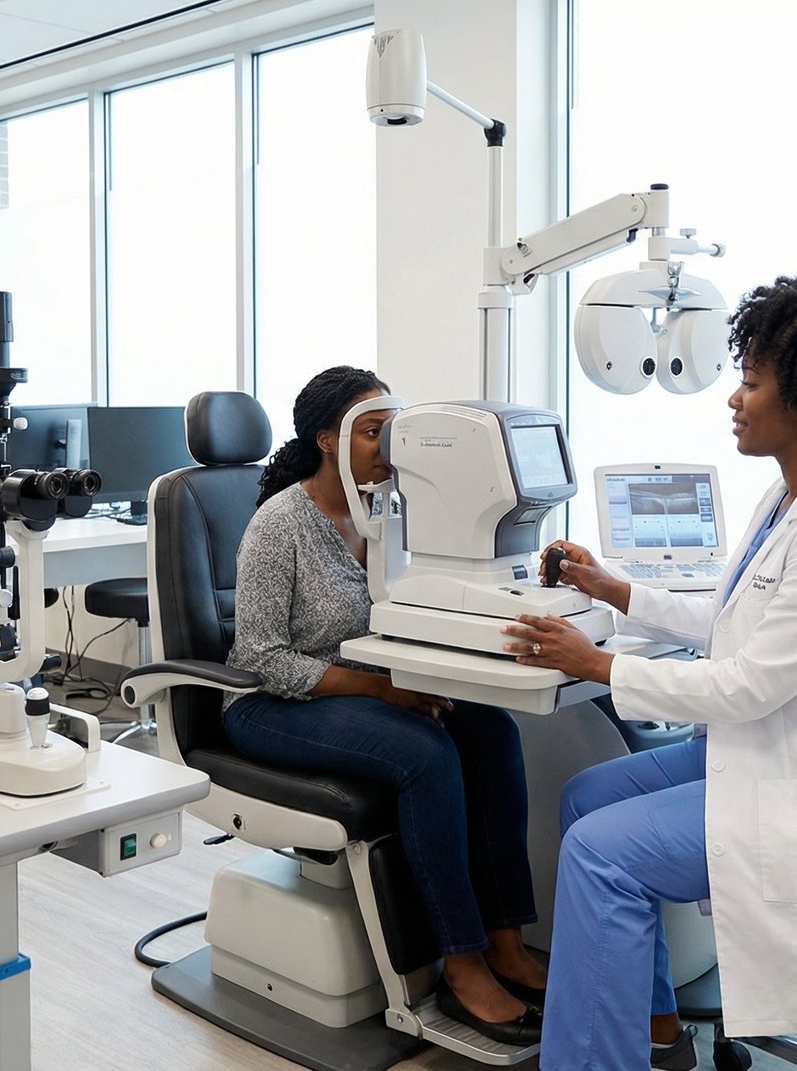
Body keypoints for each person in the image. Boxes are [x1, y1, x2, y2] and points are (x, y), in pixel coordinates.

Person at [502, 274, 797, 1071]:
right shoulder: (790, 499)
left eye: (750, 380)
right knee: (585, 796)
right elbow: (732, 619)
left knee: (603, 851)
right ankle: (651, 1025)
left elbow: (749, 684)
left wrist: (597, 663)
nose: (734, 399)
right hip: (773, 747)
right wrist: (614, 588)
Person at [226, 366, 547, 1046]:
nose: (388, 447)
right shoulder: (280, 524)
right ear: (327, 441)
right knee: (426, 754)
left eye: (393, 432)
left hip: (373, 690)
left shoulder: (395, 512)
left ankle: (504, 939)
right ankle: (459, 963)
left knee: (491, 730)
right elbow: (260, 658)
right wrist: (380, 687)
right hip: (272, 702)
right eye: (373, 432)